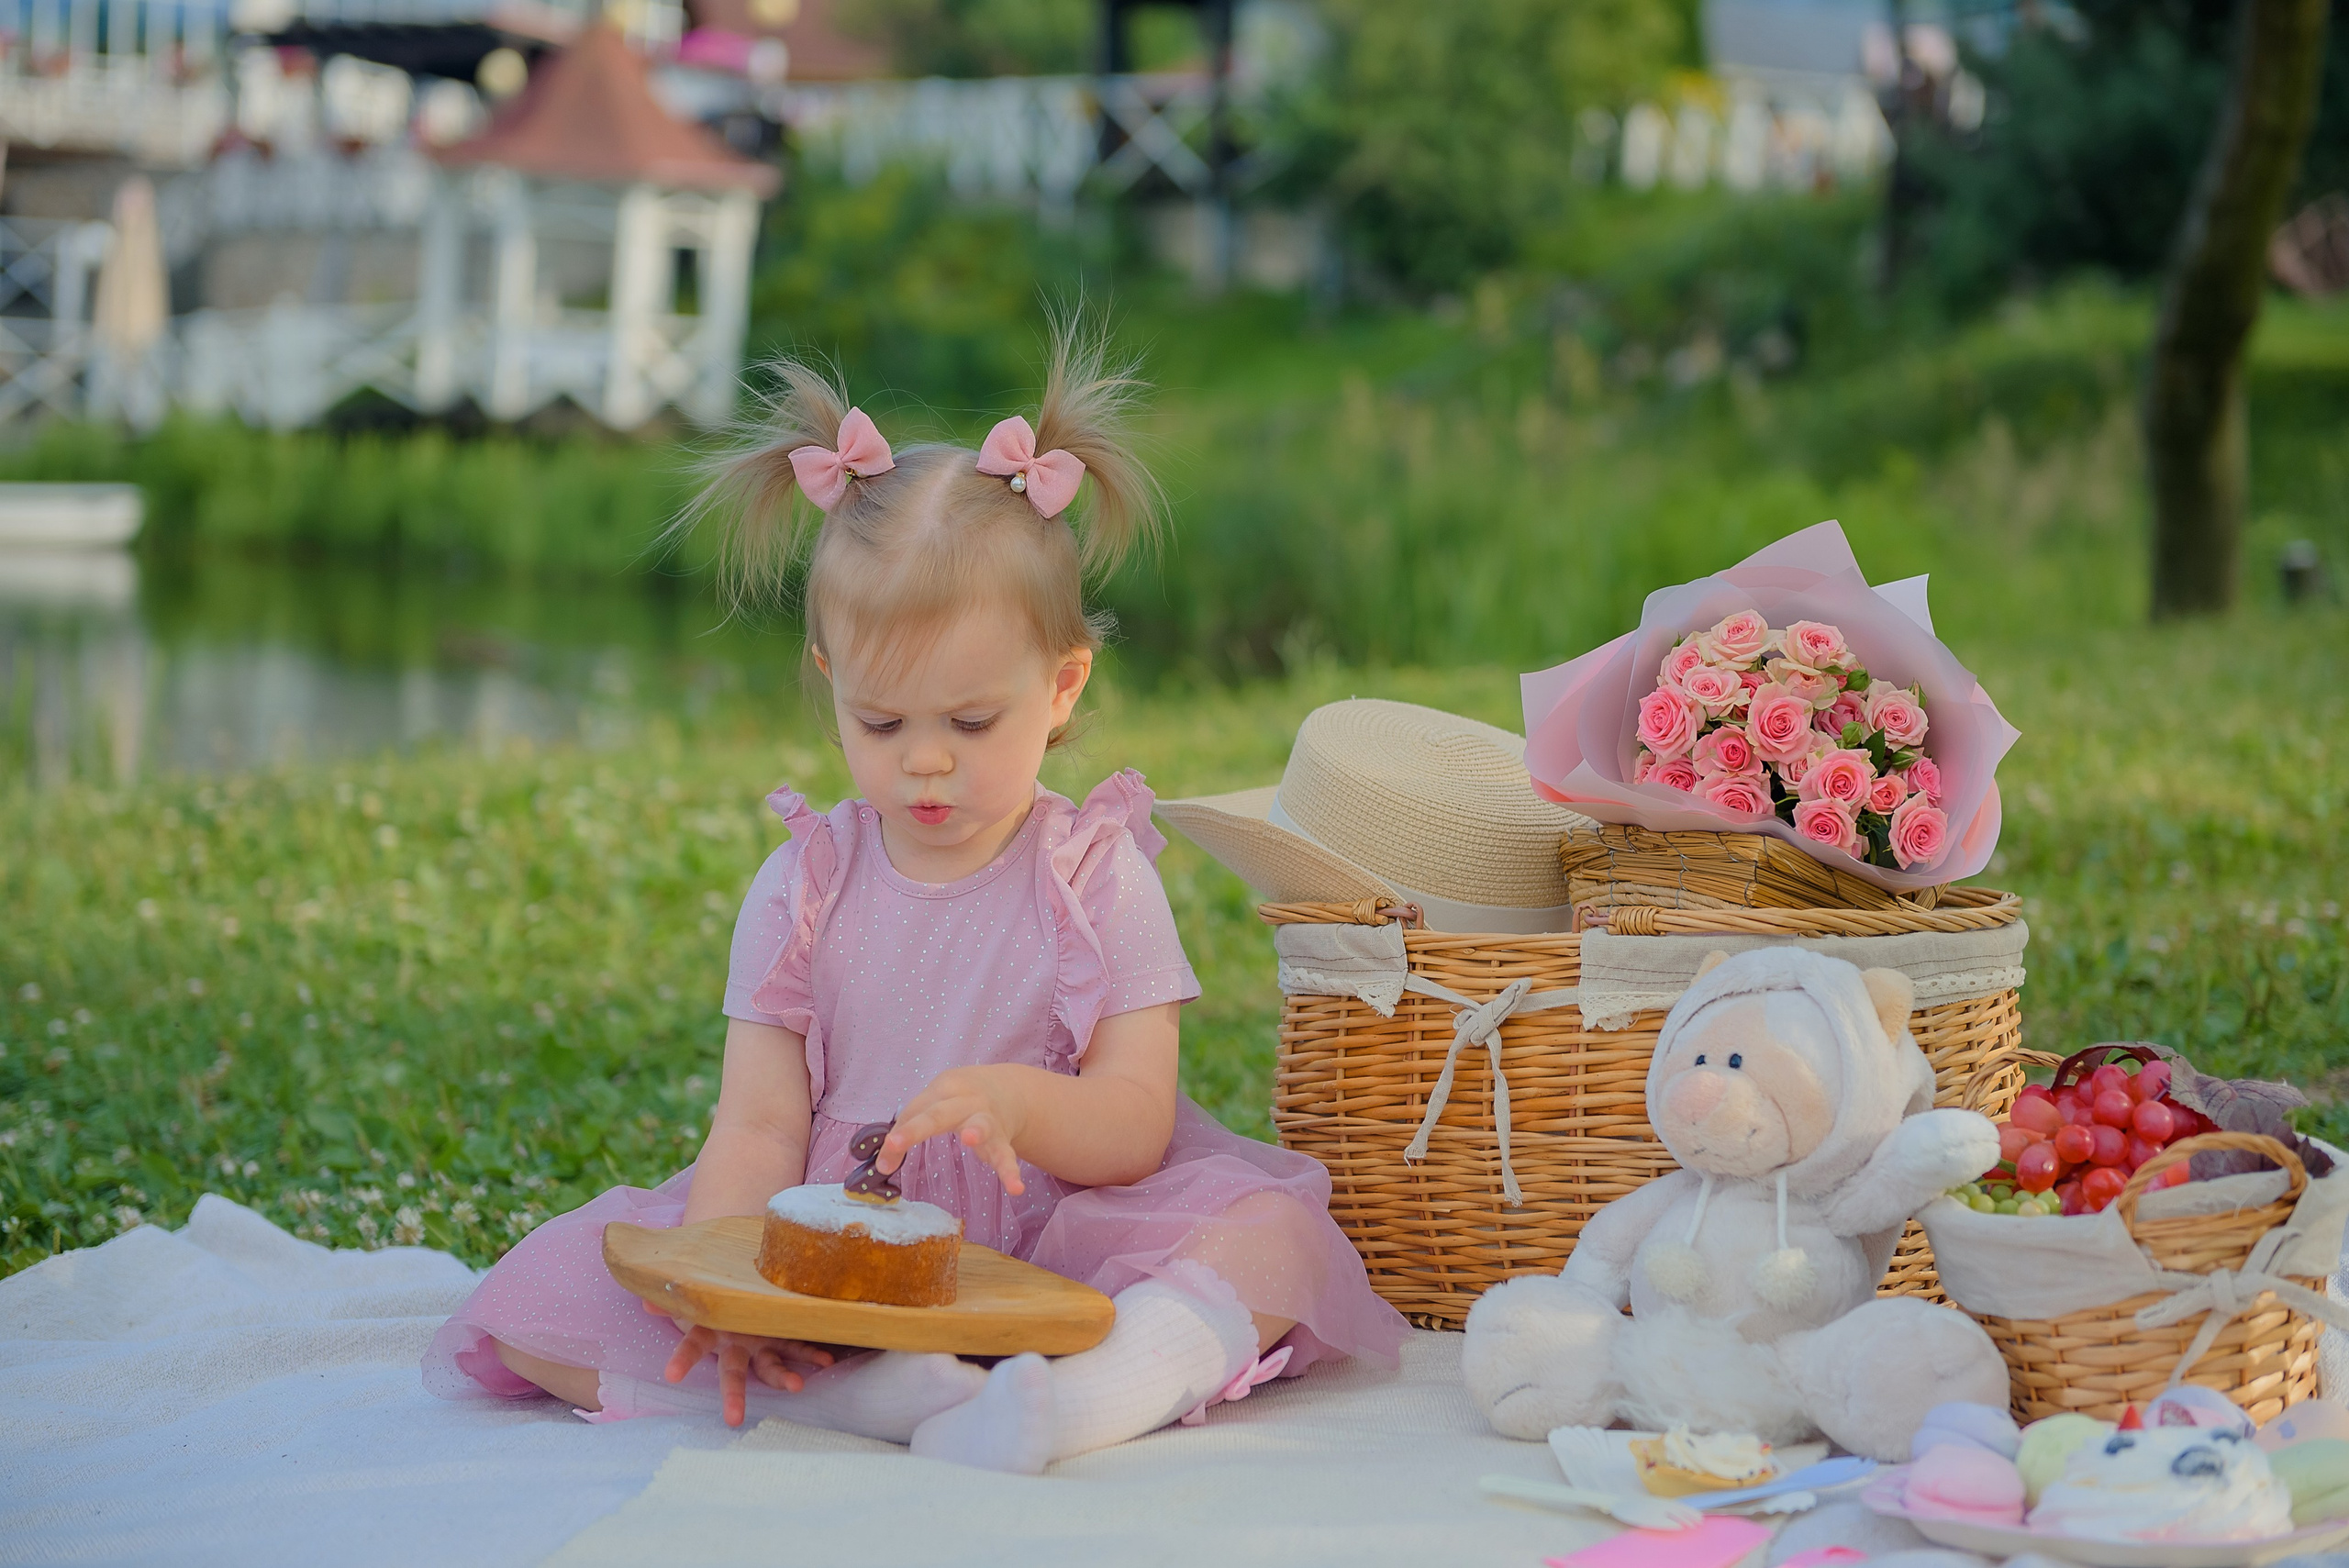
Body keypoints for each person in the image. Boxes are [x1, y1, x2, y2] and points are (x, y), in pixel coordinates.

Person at [422, 326, 1406, 1473]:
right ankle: (851, 1395)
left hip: (1048, 1242)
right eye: (881, 722)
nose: (925, 761)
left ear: (1062, 685)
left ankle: (1087, 1393)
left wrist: (1019, 1103)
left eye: (971, 722)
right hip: (840, 1242)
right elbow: (757, 1124)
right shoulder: (805, 882)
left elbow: (1137, 1120)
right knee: (543, 1303)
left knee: (1272, 1237)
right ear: (830, 680)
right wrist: (728, 1284)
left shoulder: (1094, 873)